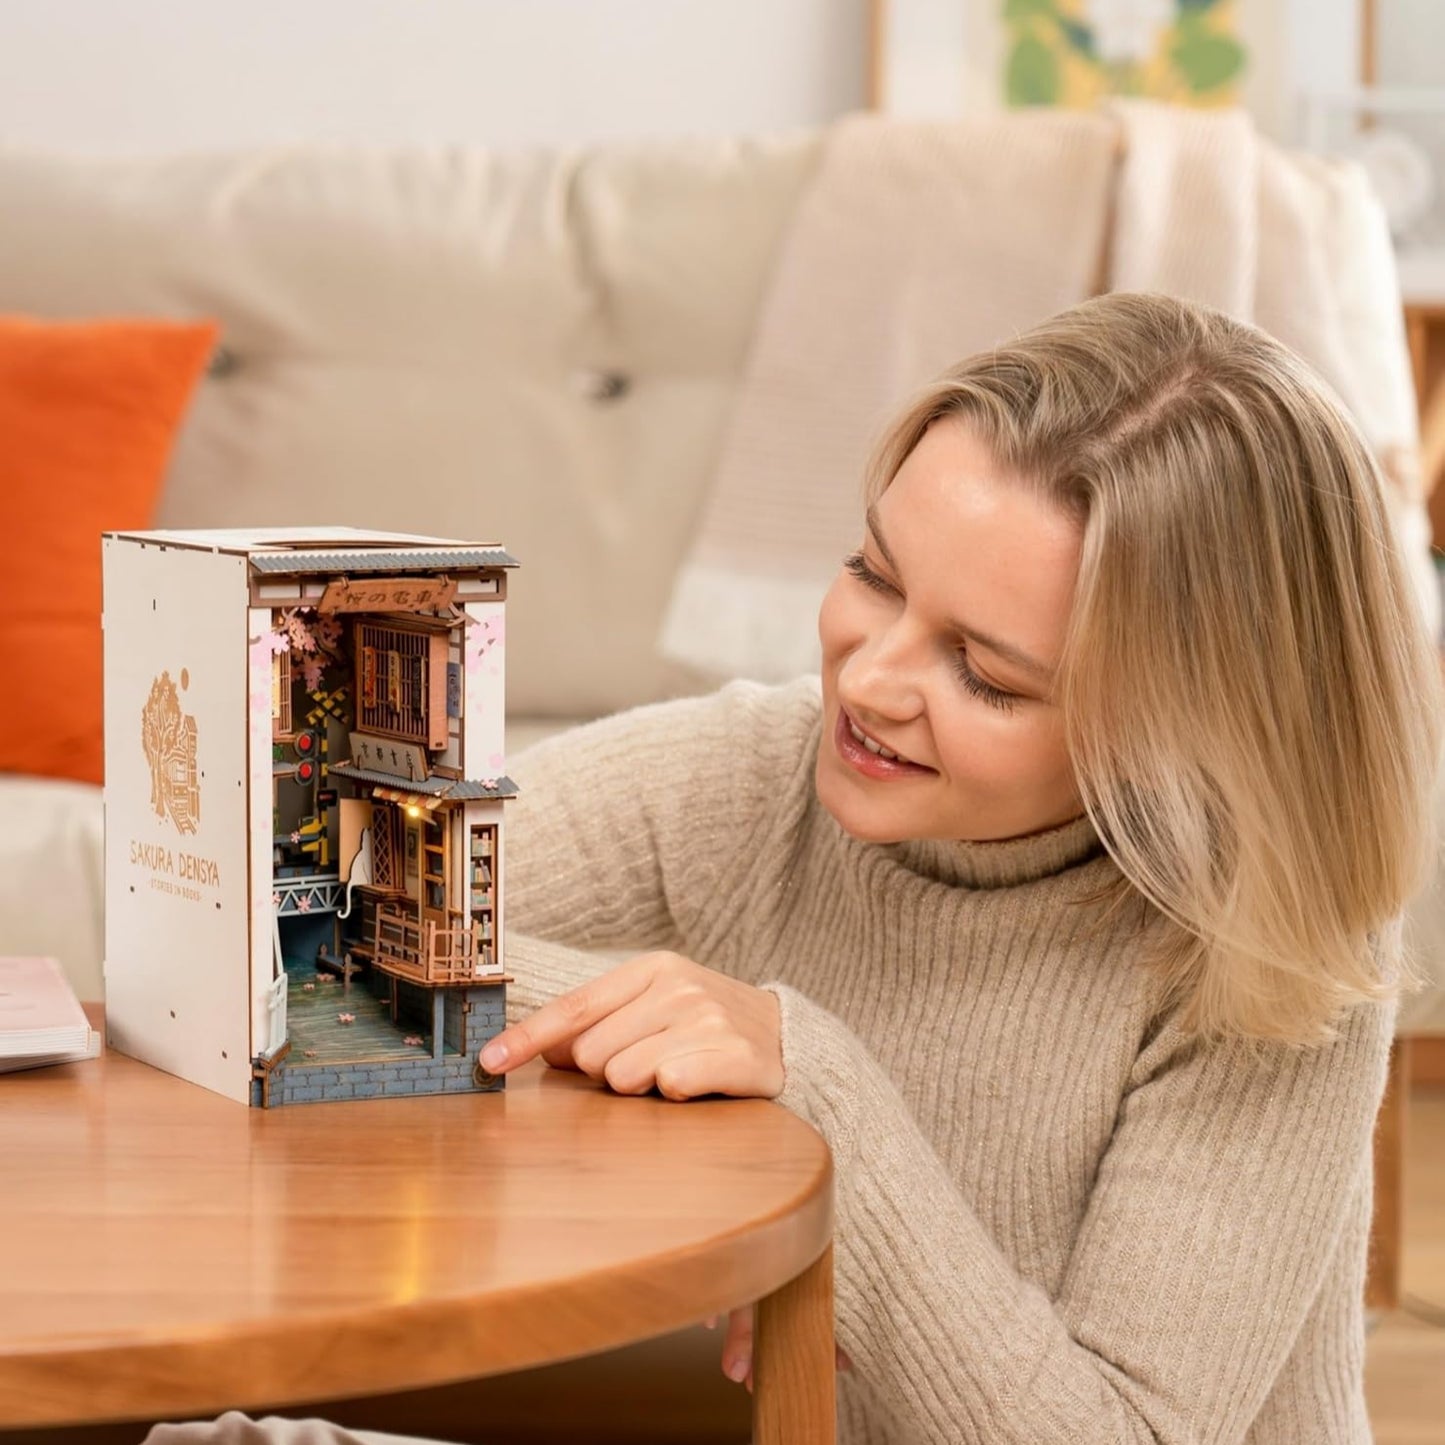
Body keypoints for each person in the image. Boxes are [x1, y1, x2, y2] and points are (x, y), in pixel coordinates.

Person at [150, 292, 1439, 1443]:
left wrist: (810, 1083)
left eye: (984, 673)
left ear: (1186, 729)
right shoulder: (756, 774)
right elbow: (264, 915)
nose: (868, 683)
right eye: (874, 576)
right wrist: (650, 1019)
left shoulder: (1273, 954)